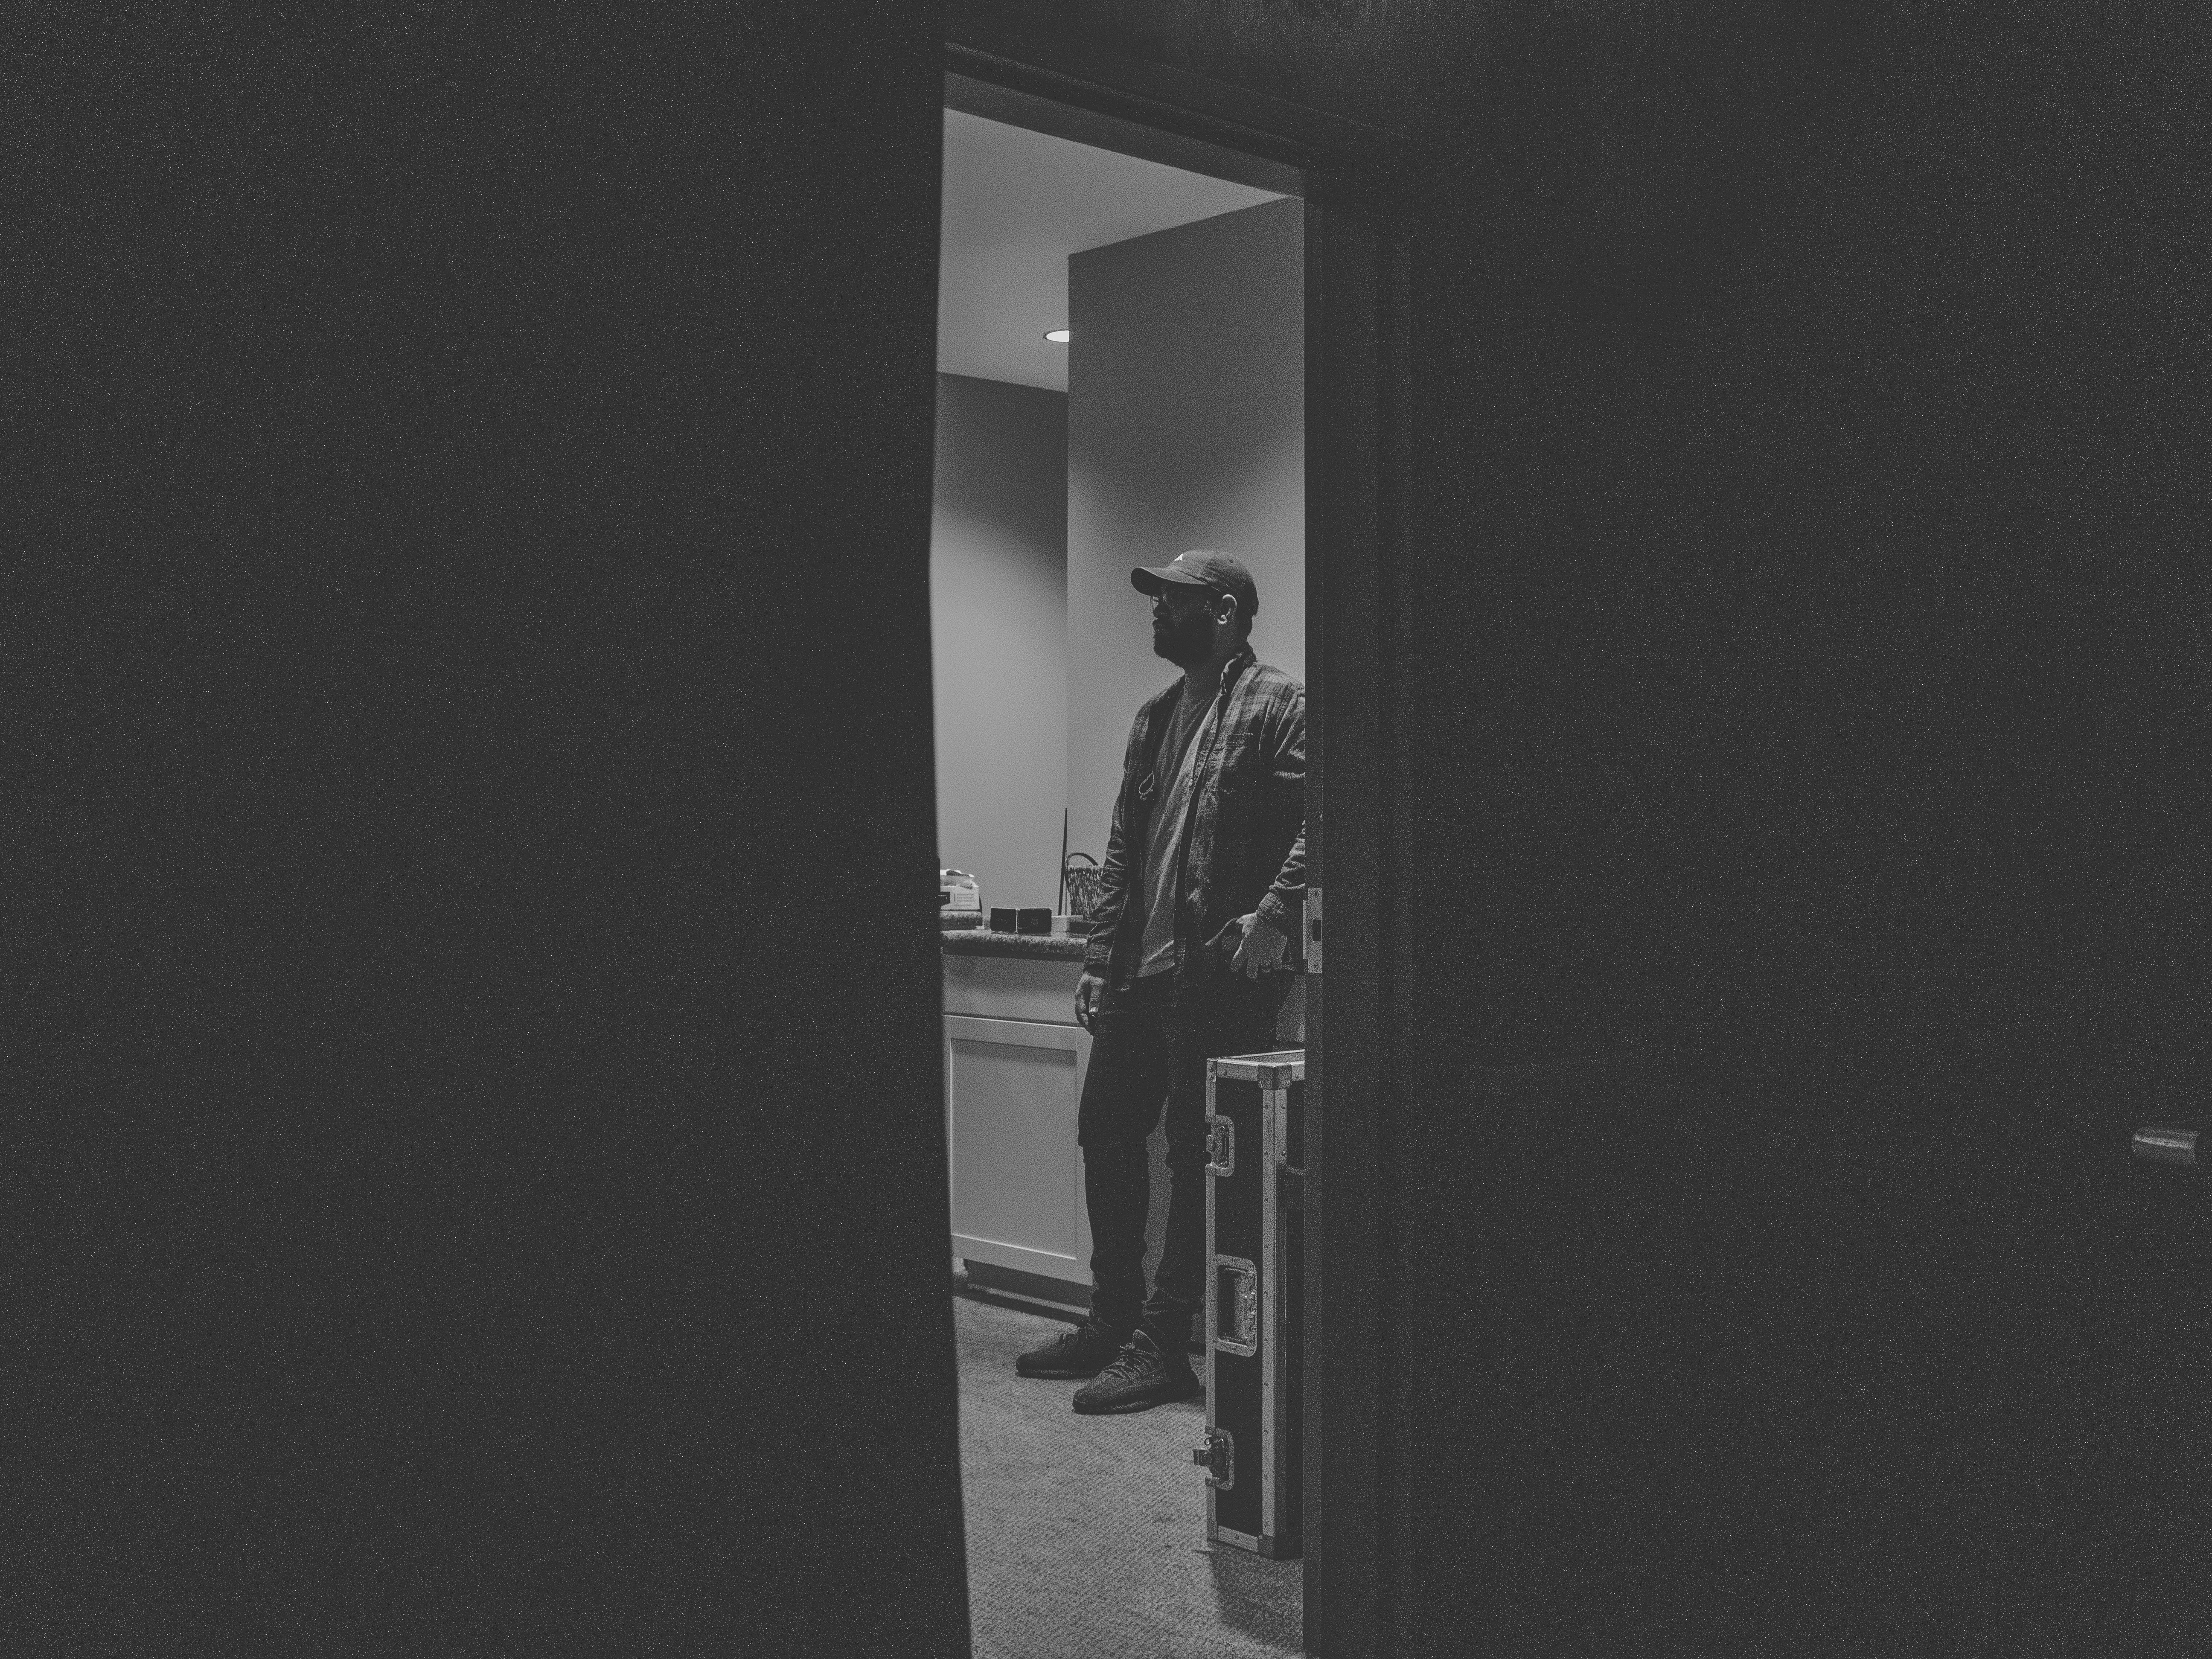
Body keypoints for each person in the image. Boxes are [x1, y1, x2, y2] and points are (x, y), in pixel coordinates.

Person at [1016, 550, 1305, 1413]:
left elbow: (1324, 816)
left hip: (1212, 972)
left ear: (1222, 611)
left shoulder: (1279, 704)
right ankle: (1112, 1319)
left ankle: (1164, 1342)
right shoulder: (1154, 716)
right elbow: (1120, 853)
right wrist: (1101, 960)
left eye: (1171, 602)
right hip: (1139, 975)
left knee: (1192, 1154)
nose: (1155, 614)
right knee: (1106, 1128)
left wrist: (1276, 913)